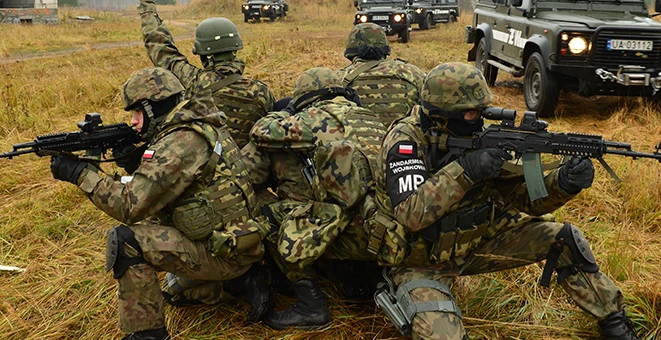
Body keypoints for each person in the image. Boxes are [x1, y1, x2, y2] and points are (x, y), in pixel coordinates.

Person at [370, 62, 639, 340]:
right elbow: (411, 214)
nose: (479, 119)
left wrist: (563, 183)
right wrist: (466, 170)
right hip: (420, 260)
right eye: (472, 113)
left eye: (482, 111)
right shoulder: (405, 142)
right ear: (441, 115)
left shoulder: (478, 137)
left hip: (475, 244)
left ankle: (616, 325)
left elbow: (526, 200)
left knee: (562, 238)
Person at [49, 68, 270, 339]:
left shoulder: (180, 141)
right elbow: (166, 186)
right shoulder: (200, 122)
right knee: (173, 291)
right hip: (234, 241)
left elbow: (129, 206)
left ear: (153, 108)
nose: (133, 123)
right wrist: (135, 162)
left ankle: (148, 335)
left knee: (126, 241)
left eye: (136, 114)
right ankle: (239, 282)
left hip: (224, 251)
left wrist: (80, 174)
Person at [242, 67, 387, 330]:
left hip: (349, 234)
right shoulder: (371, 117)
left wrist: (285, 111)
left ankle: (311, 306)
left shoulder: (312, 119)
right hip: (385, 233)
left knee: (266, 216)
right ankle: (363, 280)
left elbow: (260, 130)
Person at [138, 0, 275, 148]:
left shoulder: (192, 81)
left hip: (200, 168)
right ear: (235, 50)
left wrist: (148, 9)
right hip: (246, 169)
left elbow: (159, 46)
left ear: (204, 54)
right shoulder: (261, 92)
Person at [337, 23, 426, 125]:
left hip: (358, 140)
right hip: (402, 139)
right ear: (385, 47)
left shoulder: (339, 78)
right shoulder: (412, 74)